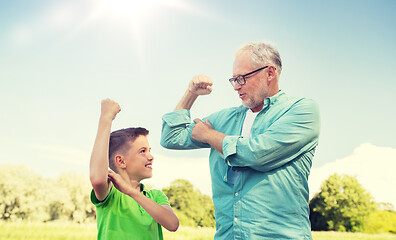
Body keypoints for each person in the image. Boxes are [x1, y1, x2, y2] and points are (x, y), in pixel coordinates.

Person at [160, 41, 320, 239]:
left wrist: (210, 136)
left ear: (270, 73)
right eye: (234, 80)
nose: (236, 87)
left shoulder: (301, 111)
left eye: (242, 78)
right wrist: (190, 94)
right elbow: (171, 137)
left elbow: (258, 154)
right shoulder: (224, 119)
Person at [90, 99, 179, 240]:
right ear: (121, 161)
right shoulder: (110, 194)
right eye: (142, 151)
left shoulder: (155, 196)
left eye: (149, 150)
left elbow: (173, 224)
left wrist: (131, 192)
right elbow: (97, 178)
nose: (151, 157)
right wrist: (106, 118)